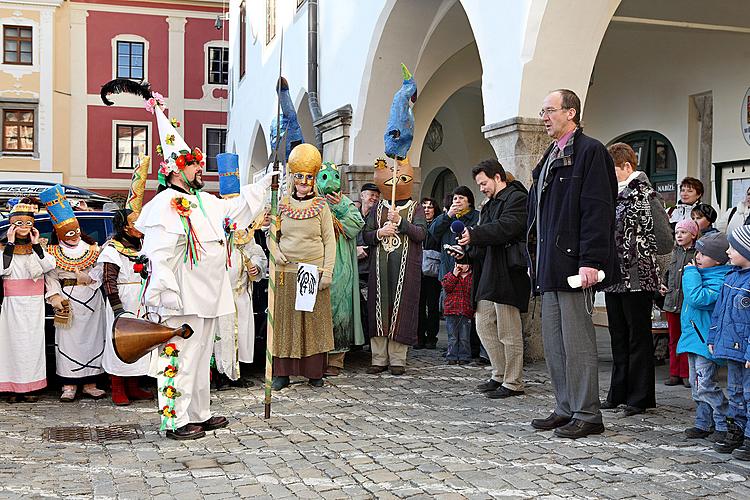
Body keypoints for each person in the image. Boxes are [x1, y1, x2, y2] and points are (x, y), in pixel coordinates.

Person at [125, 89, 270, 440]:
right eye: (193, 163)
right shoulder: (165, 205)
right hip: (183, 297)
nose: (199, 167)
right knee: (181, 355)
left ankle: (199, 412)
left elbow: (235, 209)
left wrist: (264, 183)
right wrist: (164, 291)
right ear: (176, 169)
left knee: (201, 354)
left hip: (208, 296)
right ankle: (174, 419)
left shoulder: (204, 200)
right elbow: (158, 254)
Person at [527, 89, 618, 439]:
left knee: (578, 344)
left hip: (575, 267)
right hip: (550, 265)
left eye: (550, 110)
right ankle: (565, 407)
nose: (544, 117)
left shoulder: (590, 151)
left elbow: (598, 209)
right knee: (554, 343)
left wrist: (591, 260)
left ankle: (587, 413)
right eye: (543, 110)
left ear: (571, 112)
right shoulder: (552, 154)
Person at [601, 143, 672, 416]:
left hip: (638, 278)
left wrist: (655, 274)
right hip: (614, 277)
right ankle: (618, 392)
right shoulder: (612, 195)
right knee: (618, 336)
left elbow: (665, 240)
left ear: (627, 167)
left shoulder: (646, 194)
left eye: (613, 170)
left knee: (637, 338)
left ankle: (639, 397)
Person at [457, 159, 529, 399]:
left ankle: (513, 381)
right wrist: (464, 252)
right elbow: (483, 239)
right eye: (478, 184)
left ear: (498, 177)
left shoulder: (517, 198)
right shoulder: (488, 205)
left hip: (508, 272)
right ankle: (498, 374)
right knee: (484, 324)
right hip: (488, 272)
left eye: (483, 183)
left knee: (509, 331)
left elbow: (507, 227)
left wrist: (475, 234)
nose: (481, 188)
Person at [269, 144, 335, 390]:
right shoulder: (282, 204)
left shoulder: (322, 206)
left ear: (313, 179)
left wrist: (327, 271)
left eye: (308, 178)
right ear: (293, 178)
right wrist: (276, 253)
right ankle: (282, 373)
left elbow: (330, 240)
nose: (303, 182)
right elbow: (271, 235)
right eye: (299, 178)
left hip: (313, 272)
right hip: (287, 273)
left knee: (312, 322)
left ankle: (314, 372)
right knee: (286, 323)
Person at [42, 184, 108, 402]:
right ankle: (69, 384)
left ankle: (90, 383)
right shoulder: (53, 253)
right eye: (67, 233)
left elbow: (101, 268)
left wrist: (89, 278)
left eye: (75, 231)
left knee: (93, 339)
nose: (73, 236)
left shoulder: (93, 249)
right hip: (67, 300)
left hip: (91, 299)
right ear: (59, 232)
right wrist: (55, 296)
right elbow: (50, 276)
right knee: (68, 341)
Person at [362, 157, 427, 375]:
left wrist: (401, 222)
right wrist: (380, 233)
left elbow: (421, 233)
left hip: (405, 270)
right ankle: (378, 358)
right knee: (379, 310)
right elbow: (366, 234)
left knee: (401, 310)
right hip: (379, 269)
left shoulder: (415, 208)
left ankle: (398, 359)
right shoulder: (377, 208)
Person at [99, 158, 154, 405]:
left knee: (139, 343)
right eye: (135, 224)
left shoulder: (145, 246)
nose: (139, 228)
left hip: (140, 300)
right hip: (121, 302)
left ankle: (134, 384)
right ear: (124, 226)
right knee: (120, 343)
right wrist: (117, 308)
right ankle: (118, 386)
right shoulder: (112, 249)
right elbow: (108, 280)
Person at [212, 153, 268, 389]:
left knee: (241, 333)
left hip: (240, 292)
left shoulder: (246, 230)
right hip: (219, 294)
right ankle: (220, 374)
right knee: (221, 335)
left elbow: (257, 253)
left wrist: (255, 266)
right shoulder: (214, 222)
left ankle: (236, 372)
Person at [677, 232, 731, 442]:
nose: (697, 256)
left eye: (703, 254)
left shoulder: (720, 280)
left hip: (706, 342)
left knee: (705, 384)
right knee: (696, 384)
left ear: (717, 260)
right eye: (697, 252)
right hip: (694, 337)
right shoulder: (703, 274)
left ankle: (724, 421)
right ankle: (703, 422)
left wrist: (690, 273)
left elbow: (697, 298)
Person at [0, 200, 55, 402]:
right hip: (12, 304)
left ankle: (31, 386)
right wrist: (11, 243)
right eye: (19, 224)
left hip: (33, 305)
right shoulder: (4, 249)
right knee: (11, 344)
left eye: (28, 224)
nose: (24, 228)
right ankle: (12, 387)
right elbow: (2, 269)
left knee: (33, 345)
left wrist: (35, 245)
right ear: (12, 225)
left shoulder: (37, 249)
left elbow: (48, 265)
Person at [316, 162, 365, 376]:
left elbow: (356, 224)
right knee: (318, 309)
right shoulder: (313, 202)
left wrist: (340, 208)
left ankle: (336, 360)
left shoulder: (345, 203)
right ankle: (316, 357)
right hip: (317, 260)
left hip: (341, 262)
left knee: (339, 308)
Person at [707, 226, 750, 460]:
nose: (728, 251)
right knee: (734, 392)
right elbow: (719, 312)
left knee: (749, 394)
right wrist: (714, 337)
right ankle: (737, 431)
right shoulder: (730, 276)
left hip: (746, 352)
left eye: (734, 247)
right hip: (732, 348)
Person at [660, 218, 698, 387]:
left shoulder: (697, 253)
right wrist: (663, 284)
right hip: (671, 303)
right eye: (677, 233)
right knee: (673, 338)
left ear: (694, 234)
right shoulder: (674, 252)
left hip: (687, 303)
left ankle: (685, 373)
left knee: (687, 338)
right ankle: (674, 373)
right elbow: (668, 273)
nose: (679, 235)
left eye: (683, 232)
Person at [429, 186, 480, 281]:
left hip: (469, 272)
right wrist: (448, 215)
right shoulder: (447, 217)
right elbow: (433, 231)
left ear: (469, 201)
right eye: (455, 198)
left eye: (461, 198)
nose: (457, 201)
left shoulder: (477, 217)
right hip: (447, 271)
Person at [356, 183, 381, 339]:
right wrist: (354, 251)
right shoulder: (352, 215)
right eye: (371, 195)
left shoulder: (379, 217)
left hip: (373, 268)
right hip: (355, 269)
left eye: (377, 196)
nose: (374, 198)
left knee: (372, 307)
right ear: (362, 196)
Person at [416, 197, 441, 350]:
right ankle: (419, 336)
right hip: (418, 269)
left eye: (430, 207)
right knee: (418, 305)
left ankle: (431, 336)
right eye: (424, 207)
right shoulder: (417, 225)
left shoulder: (437, 225)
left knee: (432, 306)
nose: (426, 209)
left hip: (433, 270)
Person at [441, 262, 473, 364]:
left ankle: (464, 356)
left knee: (464, 337)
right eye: (459, 264)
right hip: (451, 310)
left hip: (465, 311)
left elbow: (471, 292)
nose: (461, 266)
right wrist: (454, 275)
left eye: (464, 264)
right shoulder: (450, 275)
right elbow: (447, 287)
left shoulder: (471, 277)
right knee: (452, 337)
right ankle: (452, 356)